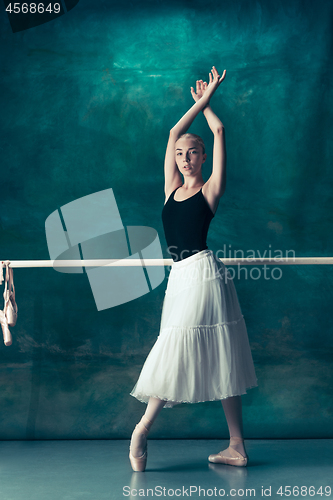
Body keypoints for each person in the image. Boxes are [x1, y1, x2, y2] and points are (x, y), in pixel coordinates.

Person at [129, 66, 258, 471]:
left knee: (179, 344)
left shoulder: (209, 190)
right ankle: (237, 446)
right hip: (179, 278)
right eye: (181, 154)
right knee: (218, 355)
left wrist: (208, 106)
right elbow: (171, 134)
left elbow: (219, 133)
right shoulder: (170, 189)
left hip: (204, 274)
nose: (185, 159)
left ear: (203, 157)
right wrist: (197, 104)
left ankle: (143, 427)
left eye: (192, 153)